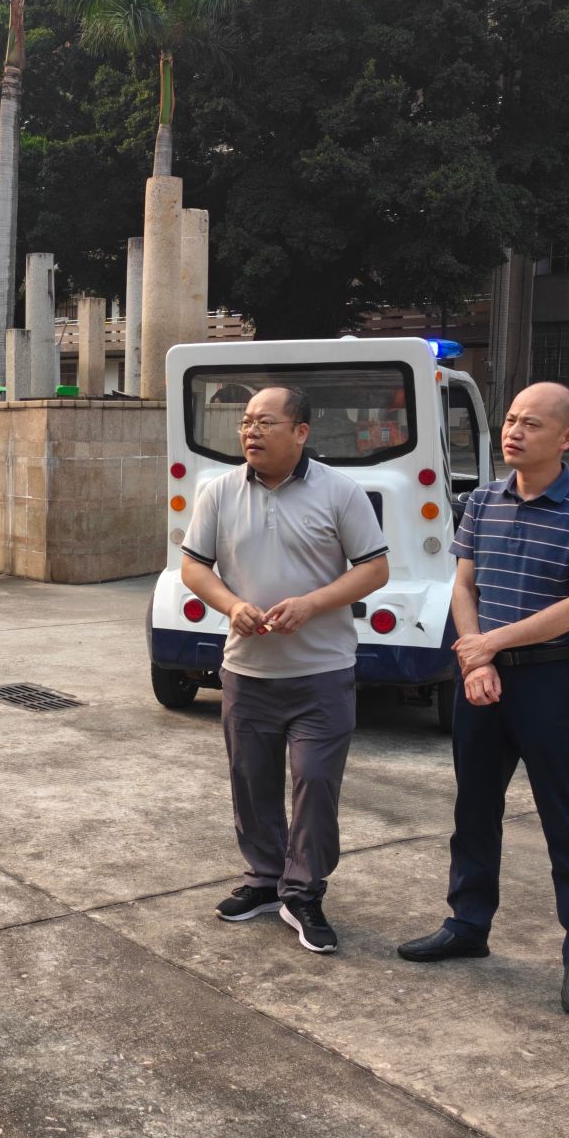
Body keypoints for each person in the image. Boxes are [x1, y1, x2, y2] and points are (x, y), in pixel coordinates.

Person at [397, 381, 569, 1018]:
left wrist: (486, 646)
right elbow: (462, 586)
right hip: (483, 680)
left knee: (566, 819)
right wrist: (476, 659)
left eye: (531, 423)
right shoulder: (481, 502)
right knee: (473, 808)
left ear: (568, 437)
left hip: (551, 682)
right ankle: (467, 924)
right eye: (510, 420)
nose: (514, 432)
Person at [179, 385, 391, 954]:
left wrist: (312, 604)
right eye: (246, 421)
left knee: (315, 782)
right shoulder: (219, 491)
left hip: (322, 672)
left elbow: (374, 569)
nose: (251, 431)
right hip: (247, 672)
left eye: (265, 422)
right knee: (252, 782)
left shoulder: (340, 492)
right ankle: (265, 879)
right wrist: (232, 606)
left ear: (301, 432)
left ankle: (304, 891)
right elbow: (194, 567)